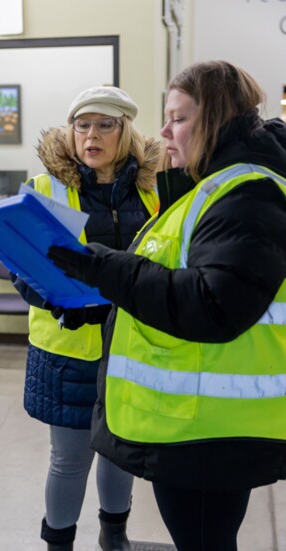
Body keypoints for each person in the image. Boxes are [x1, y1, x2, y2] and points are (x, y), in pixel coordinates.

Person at [47, 60, 286, 551]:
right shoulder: (206, 187)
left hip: (209, 431)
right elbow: (172, 279)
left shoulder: (245, 192)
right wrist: (96, 298)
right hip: (196, 420)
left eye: (177, 117)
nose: (163, 131)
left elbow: (212, 305)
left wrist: (101, 267)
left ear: (215, 120)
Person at [12, 85, 162, 550]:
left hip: (132, 346)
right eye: (82, 124)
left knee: (121, 453)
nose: (91, 135)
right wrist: (56, 297)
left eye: (104, 124)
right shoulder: (45, 189)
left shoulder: (154, 191)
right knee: (70, 458)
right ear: (71, 130)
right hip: (68, 349)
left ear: (125, 131)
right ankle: (58, 543)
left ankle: (113, 536)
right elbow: (23, 268)